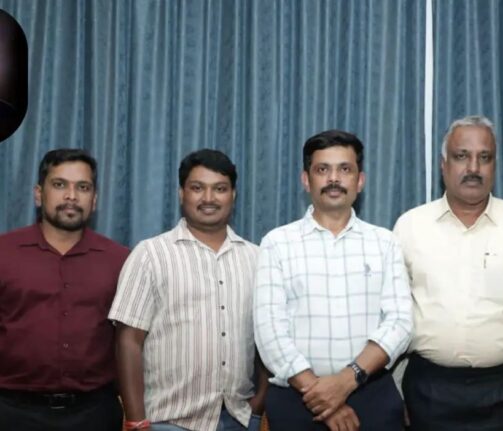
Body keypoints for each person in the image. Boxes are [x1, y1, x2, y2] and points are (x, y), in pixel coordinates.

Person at [394, 115, 503, 431]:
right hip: (428, 394)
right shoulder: (410, 227)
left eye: (485, 157)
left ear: (495, 165)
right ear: (444, 165)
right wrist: (397, 394)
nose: (474, 168)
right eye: (461, 156)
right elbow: (394, 316)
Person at [254, 129, 413, 431]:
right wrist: (323, 396)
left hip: (372, 396)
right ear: (306, 180)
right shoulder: (276, 243)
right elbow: (269, 332)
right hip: (297, 399)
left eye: (345, 169)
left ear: (360, 180)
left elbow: (400, 323)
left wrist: (345, 381)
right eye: (322, 170)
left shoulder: (385, 243)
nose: (334, 179)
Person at [109, 149, 268, 431]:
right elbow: (128, 340)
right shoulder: (150, 254)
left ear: (233, 195)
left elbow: (269, 338)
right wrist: (135, 420)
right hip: (167, 421)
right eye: (197, 188)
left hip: (238, 420)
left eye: (220, 189)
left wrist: (258, 405)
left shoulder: (257, 259)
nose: (209, 198)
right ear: (182, 193)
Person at [0, 148, 129, 431]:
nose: (71, 196)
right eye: (59, 185)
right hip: (12, 413)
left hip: (94, 414)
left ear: (94, 200)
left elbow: (130, 340)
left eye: (82, 187)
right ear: (38, 194)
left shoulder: (121, 260)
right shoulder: (3, 253)